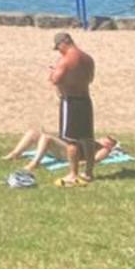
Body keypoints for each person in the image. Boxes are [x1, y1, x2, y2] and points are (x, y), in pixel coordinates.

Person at [48, 31, 98, 185]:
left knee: (71, 141)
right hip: (85, 99)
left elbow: (56, 79)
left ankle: (73, 173)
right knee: (87, 139)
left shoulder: (66, 60)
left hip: (70, 101)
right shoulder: (87, 58)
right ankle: (88, 172)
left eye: (59, 48)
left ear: (63, 43)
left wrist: (52, 72)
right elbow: (90, 79)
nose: (59, 51)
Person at [1, 127, 119, 170]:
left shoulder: (104, 149)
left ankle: (34, 163)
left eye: (111, 141)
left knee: (47, 138)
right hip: (67, 147)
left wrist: (77, 164)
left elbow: (93, 161)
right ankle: (15, 154)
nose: (107, 139)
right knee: (33, 132)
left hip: (71, 155)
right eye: (108, 136)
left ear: (111, 145)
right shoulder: (95, 140)